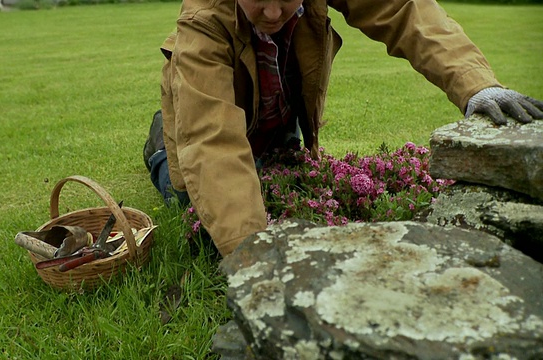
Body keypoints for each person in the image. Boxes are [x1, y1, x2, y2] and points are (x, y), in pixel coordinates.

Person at [143, 0, 543, 257]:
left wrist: (477, 84)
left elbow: (403, 9)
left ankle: (270, 139)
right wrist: (254, 255)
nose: (272, 12)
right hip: (205, 113)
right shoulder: (202, 20)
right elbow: (211, 144)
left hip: (274, 109)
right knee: (188, 199)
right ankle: (159, 145)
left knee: (285, 173)